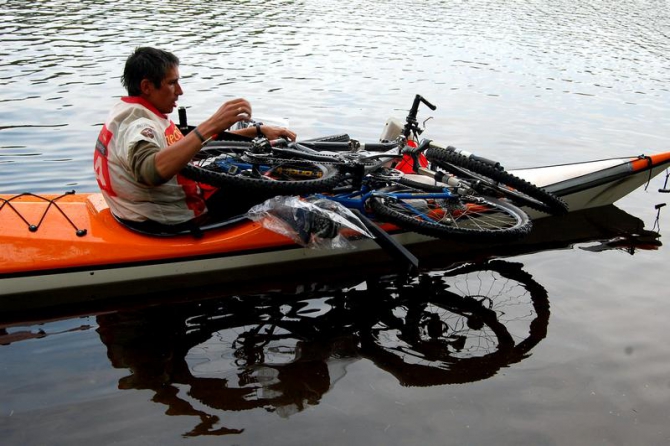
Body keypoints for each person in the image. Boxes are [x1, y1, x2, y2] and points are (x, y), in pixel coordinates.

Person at [94, 47, 296, 232]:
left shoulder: (129, 111)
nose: (180, 91)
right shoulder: (138, 124)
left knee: (243, 173)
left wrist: (257, 132)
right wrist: (211, 124)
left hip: (144, 209)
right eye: (172, 83)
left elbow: (186, 149)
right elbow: (149, 171)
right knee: (273, 186)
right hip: (175, 220)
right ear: (146, 86)